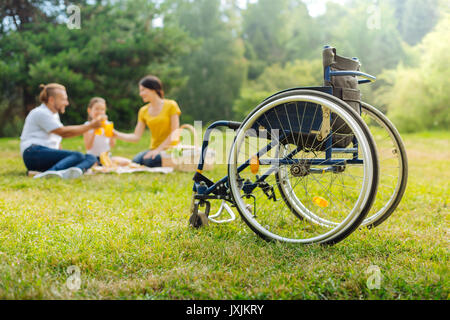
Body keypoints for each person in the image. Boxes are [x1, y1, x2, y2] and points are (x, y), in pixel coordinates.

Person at [20, 83, 104, 179]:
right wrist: (91, 126)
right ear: (51, 100)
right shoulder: (41, 113)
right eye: (64, 99)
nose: (67, 103)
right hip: (33, 154)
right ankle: (52, 172)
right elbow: (63, 132)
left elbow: (56, 141)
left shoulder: (53, 114)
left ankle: (71, 172)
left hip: (45, 156)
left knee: (91, 158)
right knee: (78, 155)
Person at [113, 75, 181, 167]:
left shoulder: (171, 105)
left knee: (149, 161)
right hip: (154, 149)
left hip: (171, 149)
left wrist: (158, 150)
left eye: (143, 90)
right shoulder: (143, 111)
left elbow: (175, 132)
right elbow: (136, 137)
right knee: (136, 160)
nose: (141, 94)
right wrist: (116, 134)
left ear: (153, 89)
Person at [83, 97, 131, 166]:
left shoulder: (108, 124)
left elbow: (112, 145)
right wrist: (94, 128)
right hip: (92, 157)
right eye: (97, 109)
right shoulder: (87, 126)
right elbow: (88, 147)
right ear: (89, 110)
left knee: (127, 162)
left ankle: (106, 164)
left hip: (107, 157)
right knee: (90, 165)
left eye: (102, 109)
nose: (100, 112)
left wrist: (110, 132)